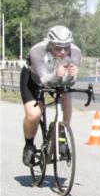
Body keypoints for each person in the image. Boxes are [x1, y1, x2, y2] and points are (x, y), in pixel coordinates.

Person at [21, 26, 82, 165]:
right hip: (34, 79)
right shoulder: (37, 51)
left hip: (57, 80)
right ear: (50, 44)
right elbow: (44, 80)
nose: (62, 51)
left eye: (66, 48)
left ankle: (61, 136)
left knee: (66, 103)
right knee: (34, 114)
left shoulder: (76, 52)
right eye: (58, 48)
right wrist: (56, 74)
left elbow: (69, 83)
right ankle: (29, 145)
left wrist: (71, 76)